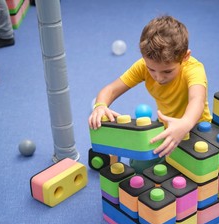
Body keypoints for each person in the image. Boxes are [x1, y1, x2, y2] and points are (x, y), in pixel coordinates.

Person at [88, 15, 212, 173]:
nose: (159, 77)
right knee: (139, 169)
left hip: (195, 129)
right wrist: (100, 106)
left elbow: (197, 100)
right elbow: (111, 89)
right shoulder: (143, 66)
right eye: (151, 69)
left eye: (167, 71)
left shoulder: (194, 69)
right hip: (164, 127)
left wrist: (185, 123)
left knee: (188, 176)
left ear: (185, 57)